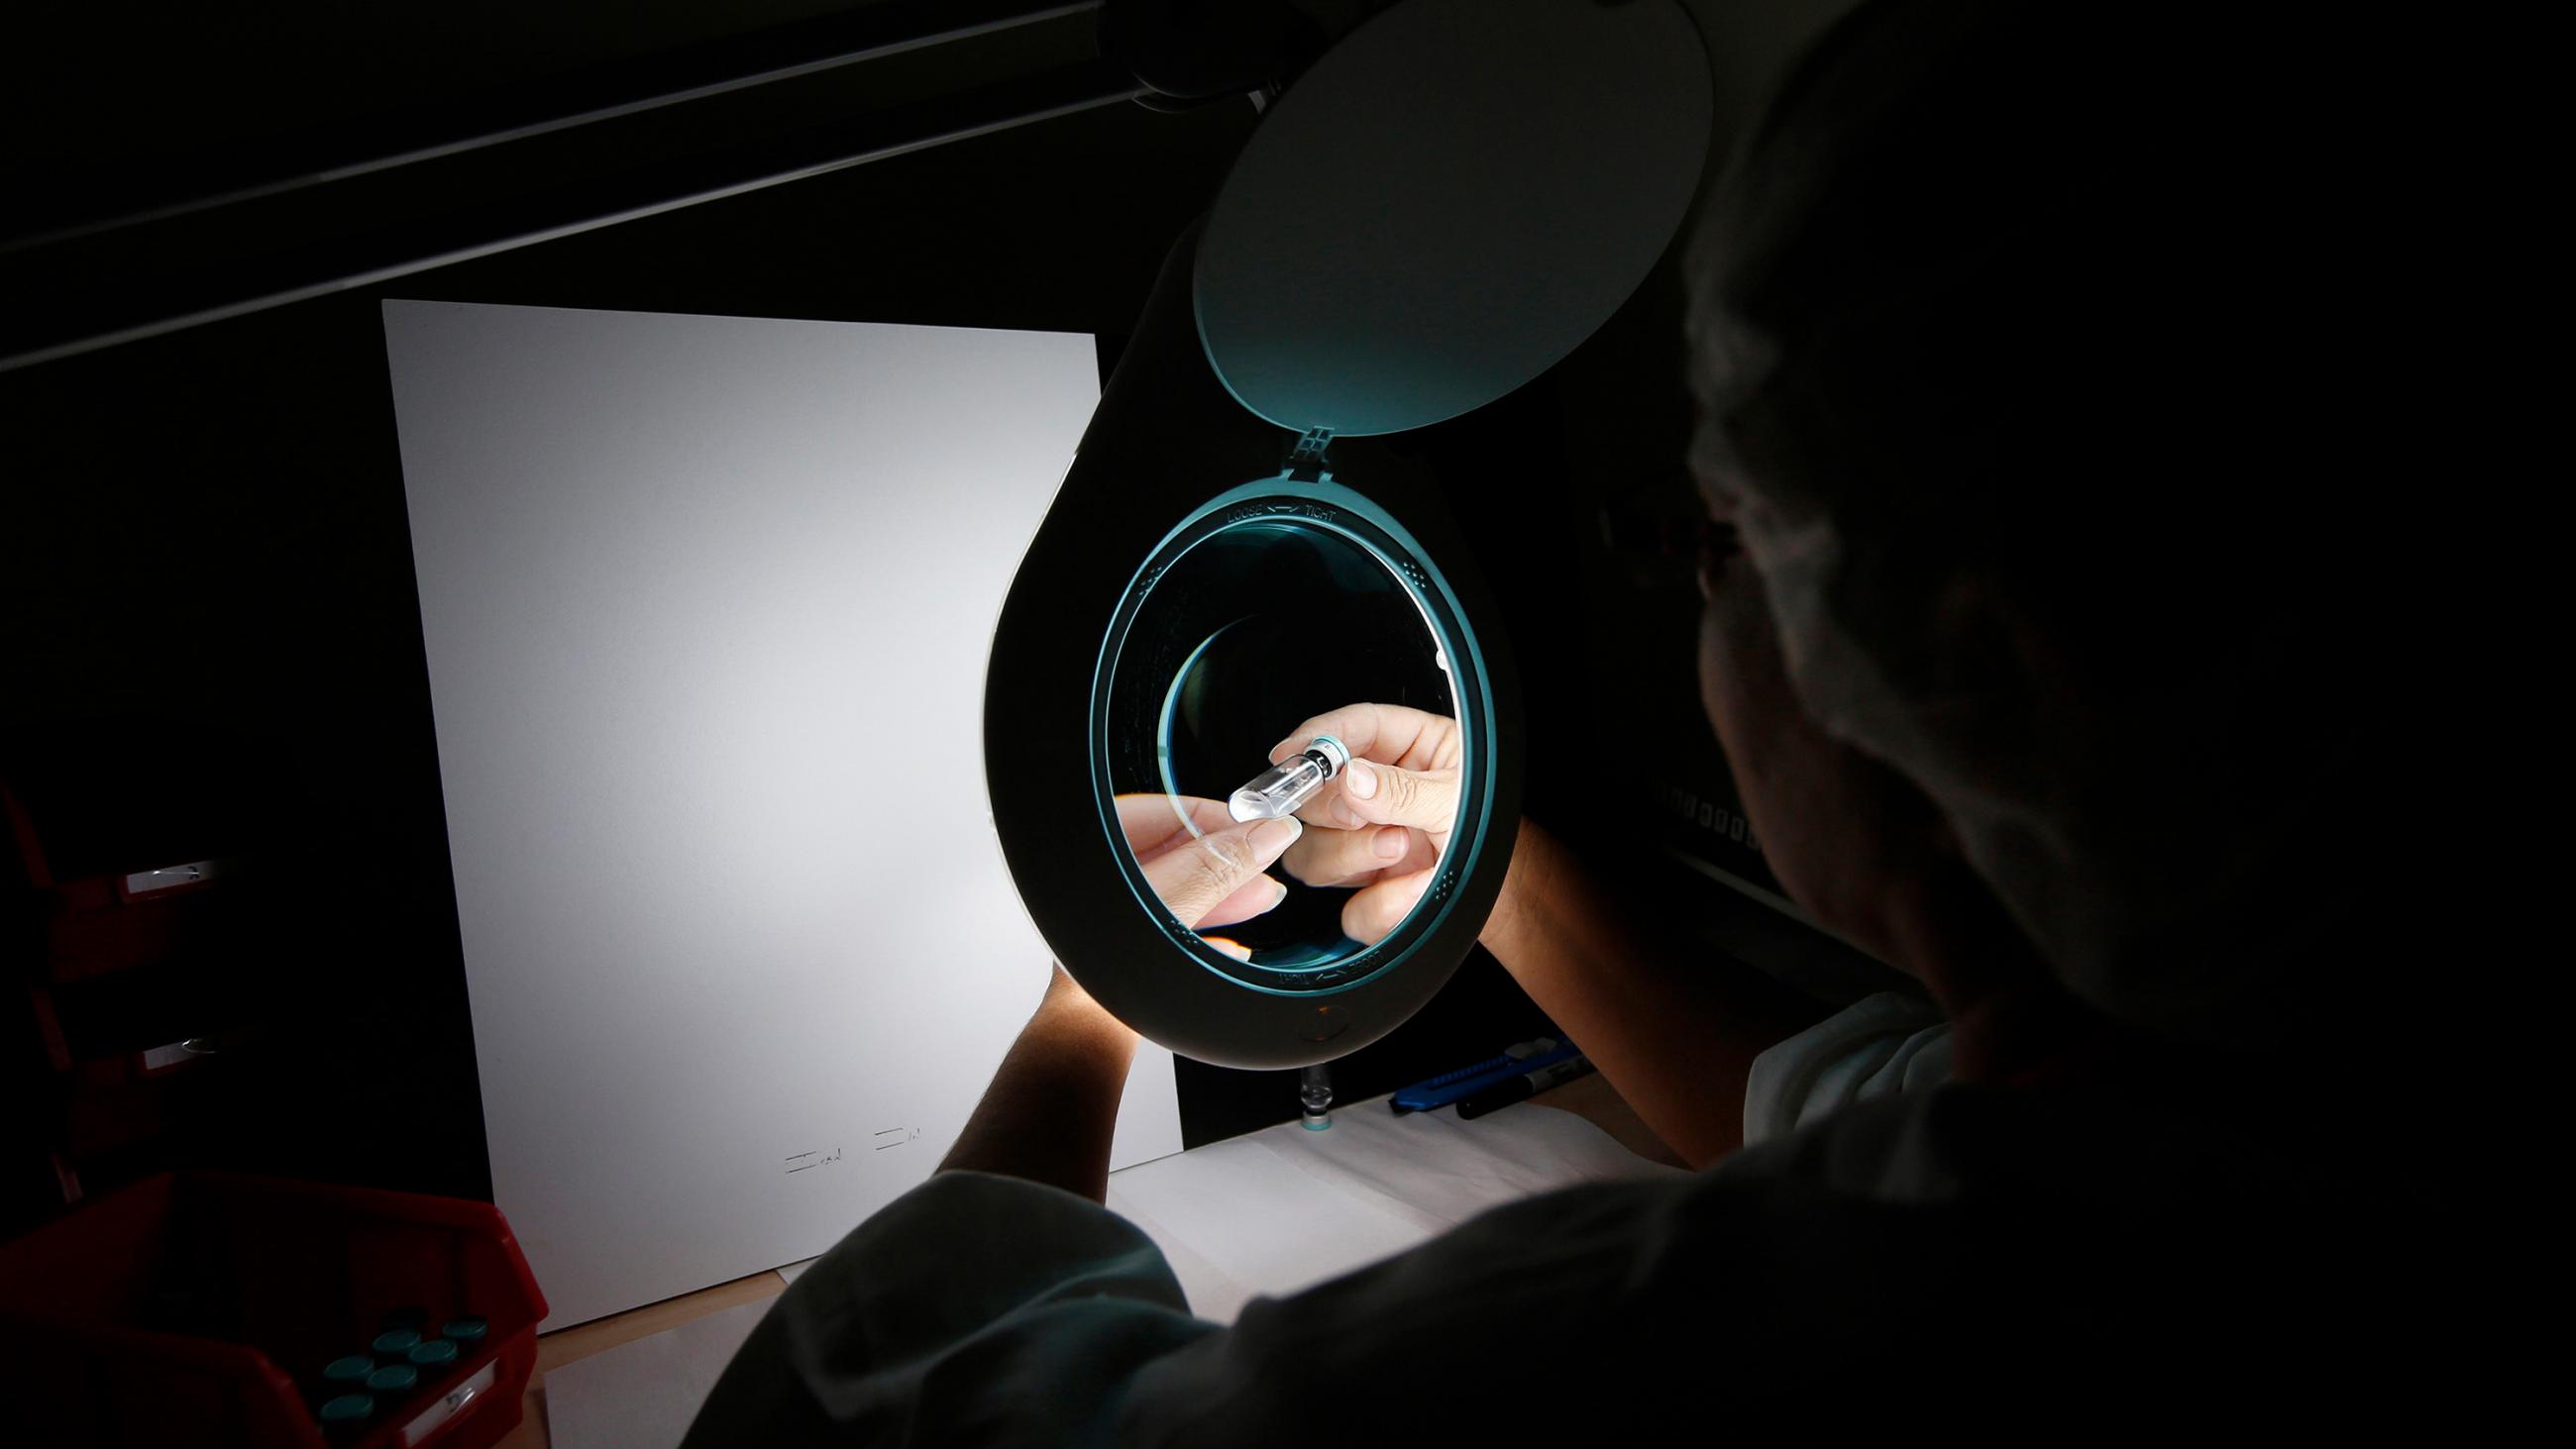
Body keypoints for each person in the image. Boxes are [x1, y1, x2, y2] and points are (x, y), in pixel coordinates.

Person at [682, 0, 2444, 1438]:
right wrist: (1488, 857)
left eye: (1723, 538)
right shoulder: (2250, 1081)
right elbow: (1853, 1105)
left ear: (1966, 660)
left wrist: (1095, 991)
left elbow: (880, 1423)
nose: (1699, 593)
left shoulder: (1659, 1352)